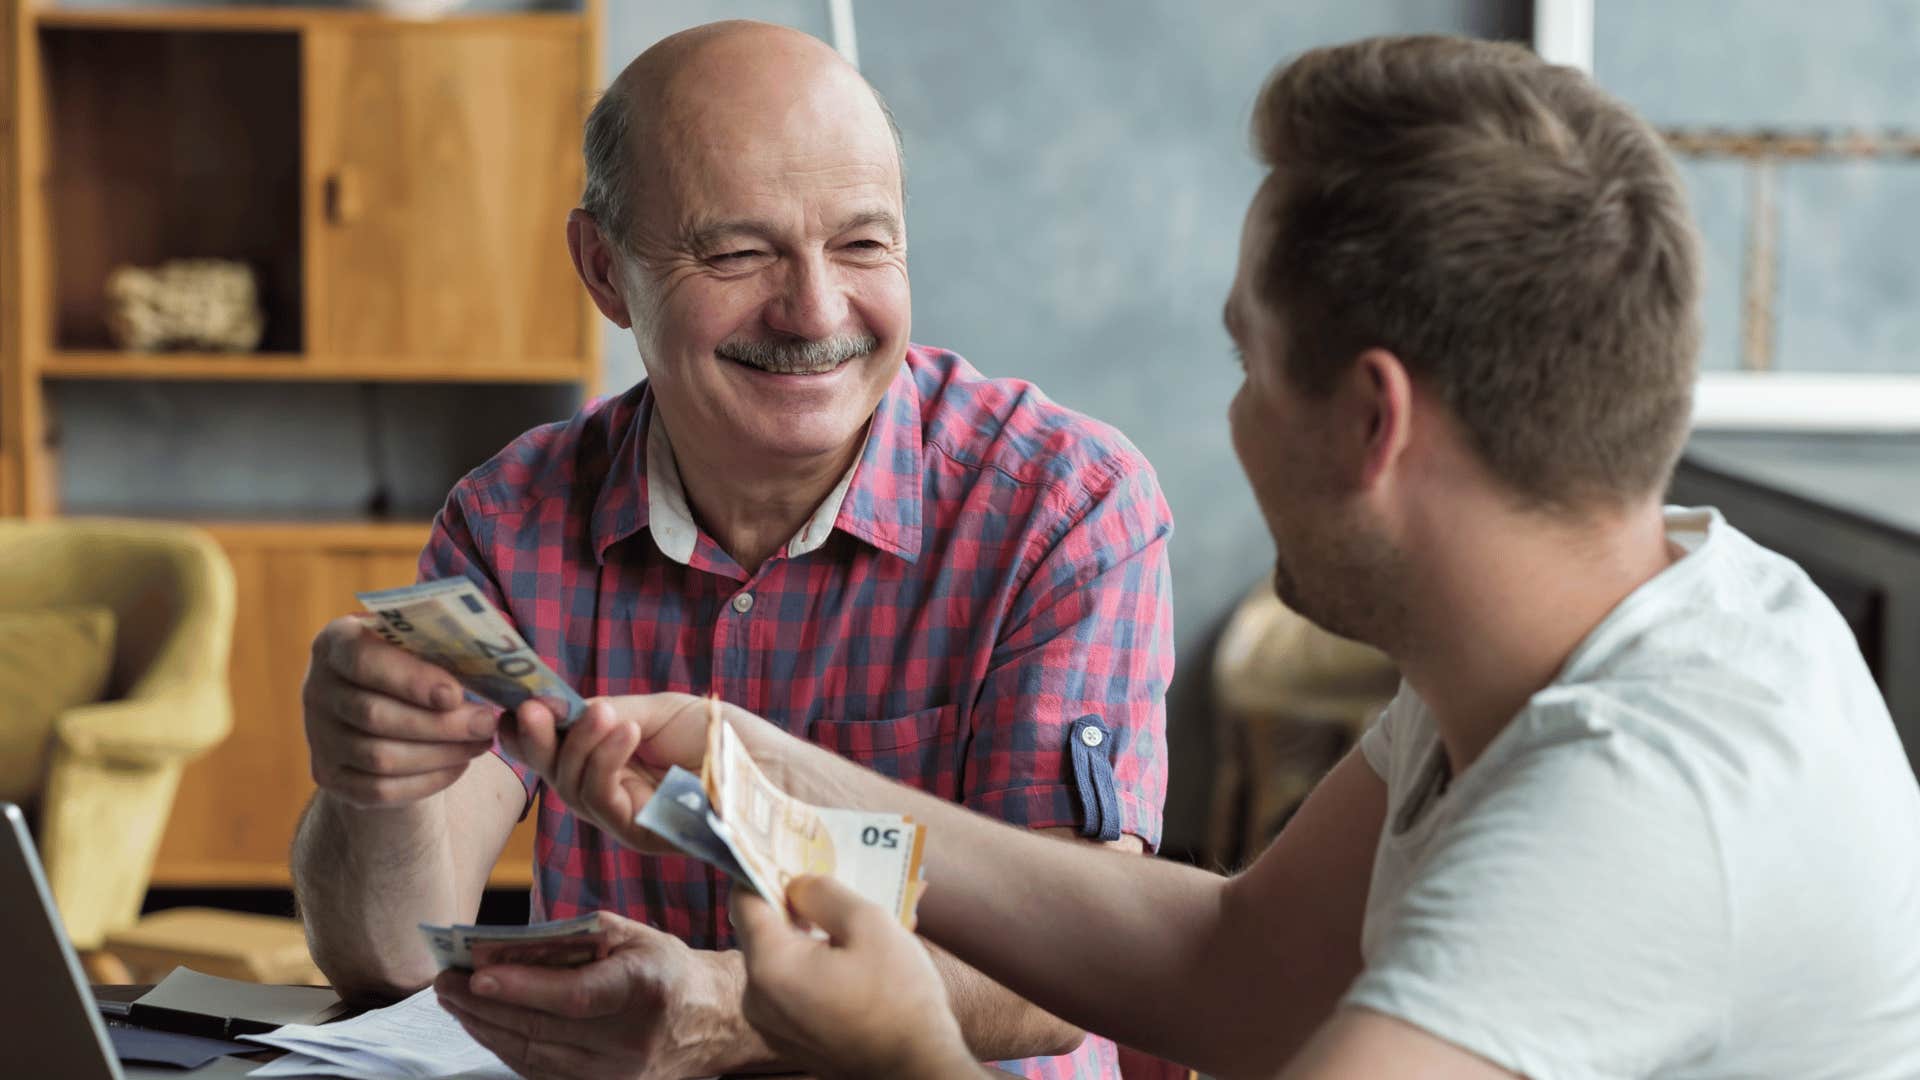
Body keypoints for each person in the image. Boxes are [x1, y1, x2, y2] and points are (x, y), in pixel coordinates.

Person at [494, 34, 1920, 1080]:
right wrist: (758, 763)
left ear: (1371, 421)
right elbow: (1232, 965)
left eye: (1248, 364)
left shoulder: (1632, 812)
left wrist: (904, 1054)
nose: (1231, 419)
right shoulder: (1631, 612)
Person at [291, 20, 1175, 1080]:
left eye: (860, 242)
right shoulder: (510, 519)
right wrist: (368, 783)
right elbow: (392, 953)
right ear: (605, 271)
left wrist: (735, 1005)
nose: (814, 311)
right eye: (738, 251)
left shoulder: (1062, 509)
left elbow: (1069, 974)